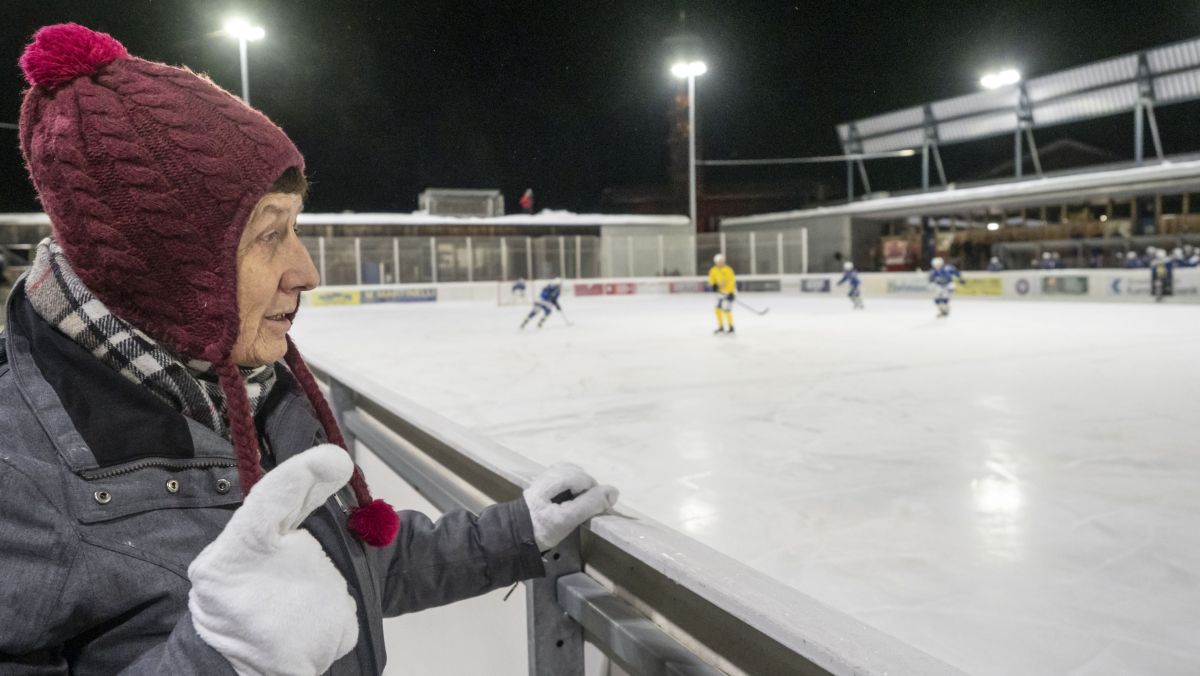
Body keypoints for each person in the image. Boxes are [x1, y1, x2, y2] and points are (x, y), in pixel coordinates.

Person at [0, 24, 618, 675]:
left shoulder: (254, 390)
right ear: (164, 266)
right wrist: (222, 660)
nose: (307, 272)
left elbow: (351, 566)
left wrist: (518, 532)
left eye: (295, 227)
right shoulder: (19, 471)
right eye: (270, 236)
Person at [708, 253, 736, 334]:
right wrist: (714, 285)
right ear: (716, 262)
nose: (720, 263)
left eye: (722, 261)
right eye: (719, 261)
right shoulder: (713, 270)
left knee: (726, 309)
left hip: (729, 292)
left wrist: (731, 292)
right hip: (720, 293)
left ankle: (731, 327)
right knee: (717, 309)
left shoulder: (728, 270)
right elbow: (711, 280)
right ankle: (721, 326)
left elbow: (731, 281)